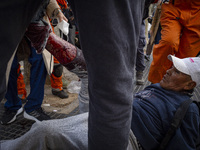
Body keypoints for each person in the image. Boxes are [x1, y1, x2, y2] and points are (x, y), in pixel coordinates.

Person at [1, 55, 199, 150]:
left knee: (50, 135)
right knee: (44, 129)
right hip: (109, 118)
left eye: (176, 72)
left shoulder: (188, 109)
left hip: (128, 137)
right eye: (171, 67)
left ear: (190, 84)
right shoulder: (155, 87)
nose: (168, 71)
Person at [148, 0, 200, 84]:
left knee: (186, 58)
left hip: (197, 14)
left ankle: (176, 87)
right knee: (169, 42)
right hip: (173, 7)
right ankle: (156, 83)